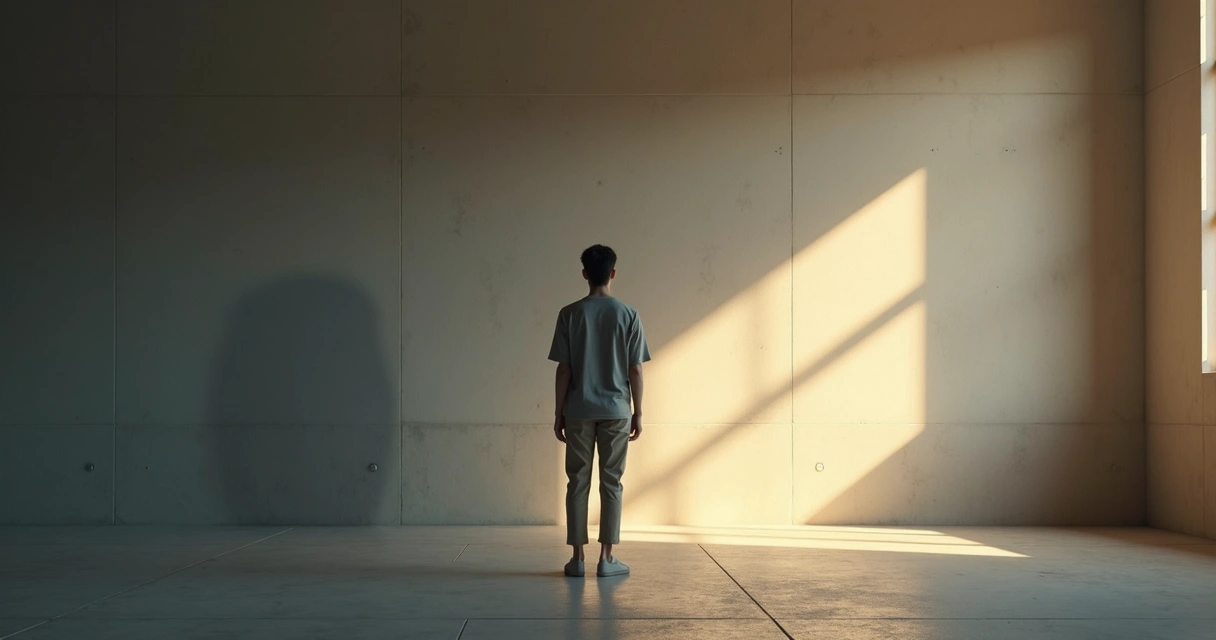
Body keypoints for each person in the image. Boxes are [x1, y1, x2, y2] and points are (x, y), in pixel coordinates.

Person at [549, 244, 650, 578]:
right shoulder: (629, 314)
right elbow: (635, 369)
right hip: (617, 410)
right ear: (613, 273)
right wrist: (638, 412)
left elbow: (564, 369)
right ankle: (606, 559)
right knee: (612, 482)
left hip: (578, 409)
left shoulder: (569, 314)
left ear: (584, 274)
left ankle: (577, 558)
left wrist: (558, 413)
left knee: (577, 481)